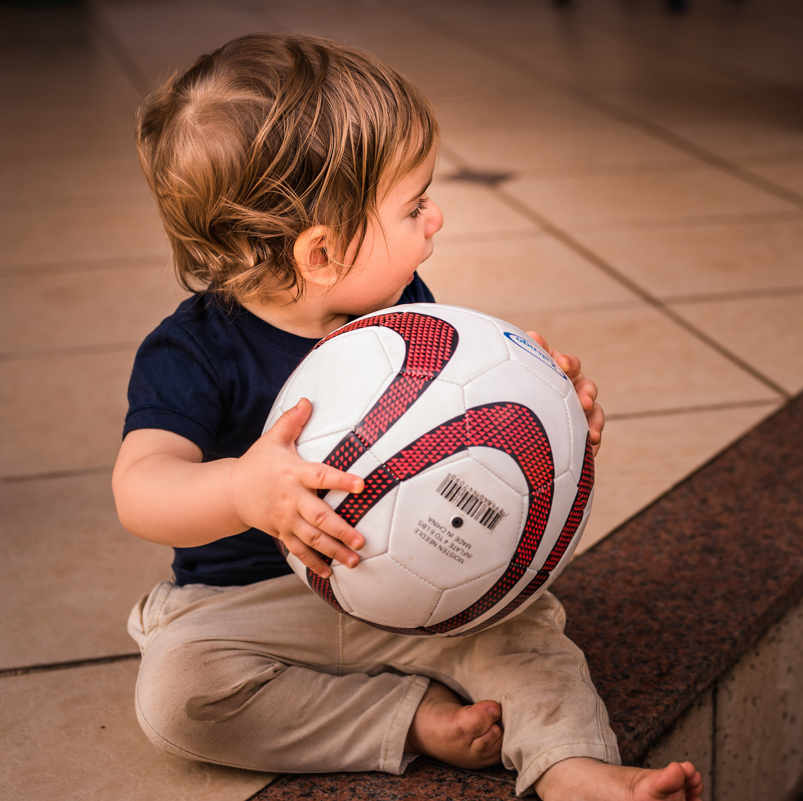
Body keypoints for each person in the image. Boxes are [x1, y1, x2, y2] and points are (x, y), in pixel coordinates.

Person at [111, 31, 702, 801]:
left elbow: (471, 424)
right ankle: (408, 716)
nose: (438, 219)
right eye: (414, 204)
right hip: (257, 605)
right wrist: (240, 491)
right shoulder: (194, 350)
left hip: (428, 593)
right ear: (322, 254)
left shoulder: (408, 314)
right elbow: (141, 485)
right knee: (180, 693)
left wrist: (550, 425)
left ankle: (574, 768)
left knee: (529, 639)